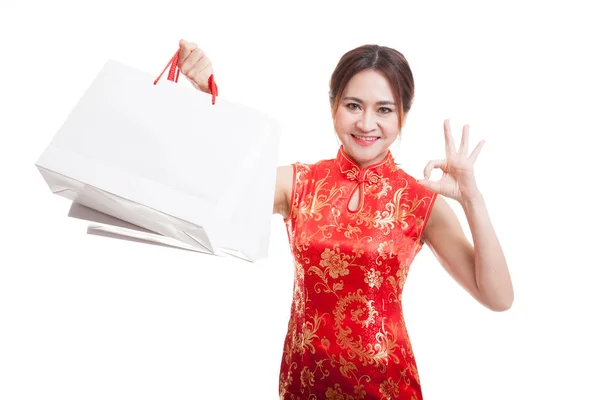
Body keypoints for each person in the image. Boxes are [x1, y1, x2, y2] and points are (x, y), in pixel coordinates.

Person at [176, 39, 514, 400]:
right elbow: (218, 190)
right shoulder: (298, 182)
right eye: (354, 106)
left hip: (387, 387)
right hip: (304, 385)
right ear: (333, 106)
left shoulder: (419, 199)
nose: (367, 123)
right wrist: (205, 99)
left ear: (403, 115)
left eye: (384, 109)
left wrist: (471, 199)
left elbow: (498, 297)